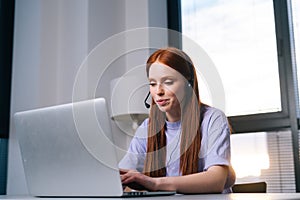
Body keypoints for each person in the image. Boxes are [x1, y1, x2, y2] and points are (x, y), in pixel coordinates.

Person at [119, 47, 236, 194]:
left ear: (189, 83)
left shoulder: (212, 119)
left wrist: (154, 183)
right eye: (153, 83)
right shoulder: (147, 127)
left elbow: (216, 180)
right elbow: (123, 174)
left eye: (167, 82)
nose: (158, 91)